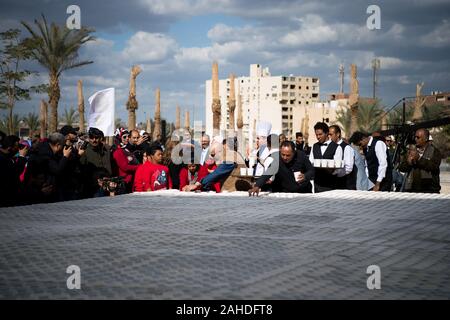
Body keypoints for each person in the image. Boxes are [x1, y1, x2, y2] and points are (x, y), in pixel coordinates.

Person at [249, 140, 314, 195]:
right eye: (283, 154)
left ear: (294, 153)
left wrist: (305, 176)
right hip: (284, 192)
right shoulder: (277, 158)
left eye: (288, 155)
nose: (285, 158)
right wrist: (257, 185)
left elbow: (311, 170)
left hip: (303, 191)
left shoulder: (301, 155)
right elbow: (268, 173)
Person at [24, 132, 72, 203]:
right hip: (40, 191)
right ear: (58, 145)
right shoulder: (45, 154)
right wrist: (65, 157)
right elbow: (57, 170)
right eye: (62, 145)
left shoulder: (45, 148)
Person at [398, 129, 441, 193]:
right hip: (411, 189)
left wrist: (419, 159)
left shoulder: (434, 151)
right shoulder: (410, 150)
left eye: (418, 137)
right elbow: (401, 168)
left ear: (426, 138)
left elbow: (434, 166)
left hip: (430, 189)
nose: (415, 139)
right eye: (415, 137)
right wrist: (408, 163)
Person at [309, 122, 342, 192]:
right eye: (316, 135)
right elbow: (311, 162)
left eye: (320, 134)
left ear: (327, 133)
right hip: (317, 184)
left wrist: (330, 171)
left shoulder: (337, 147)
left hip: (331, 184)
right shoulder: (314, 146)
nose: (318, 137)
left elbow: (338, 167)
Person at [79, 127, 113, 198]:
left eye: (96, 138)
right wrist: (95, 180)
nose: (94, 140)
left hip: (106, 185)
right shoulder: (84, 151)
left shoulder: (105, 150)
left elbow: (109, 166)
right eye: (92, 137)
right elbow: (81, 170)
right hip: (91, 188)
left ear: (100, 138)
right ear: (89, 138)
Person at [328, 125, 356, 190]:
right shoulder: (330, 147)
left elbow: (348, 168)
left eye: (331, 134)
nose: (329, 137)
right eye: (328, 135)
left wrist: (335, 173)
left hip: (345, 184)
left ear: (338, 134)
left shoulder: (347, 147)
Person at [112, 128, 139, 193]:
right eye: (124, 137)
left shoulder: (126, 149)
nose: (127, 138)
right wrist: (139, 167)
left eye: (128, 136)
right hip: (123, 182)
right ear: (119, 137)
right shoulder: (117, 151)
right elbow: (125, 167)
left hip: (130, 181)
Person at [0, 134, 21, 206]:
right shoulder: (3, 160)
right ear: (9, 148)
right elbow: (14, 174)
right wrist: (22, 157)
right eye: (17, 147)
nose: (18, 149)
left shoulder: (9, 158)